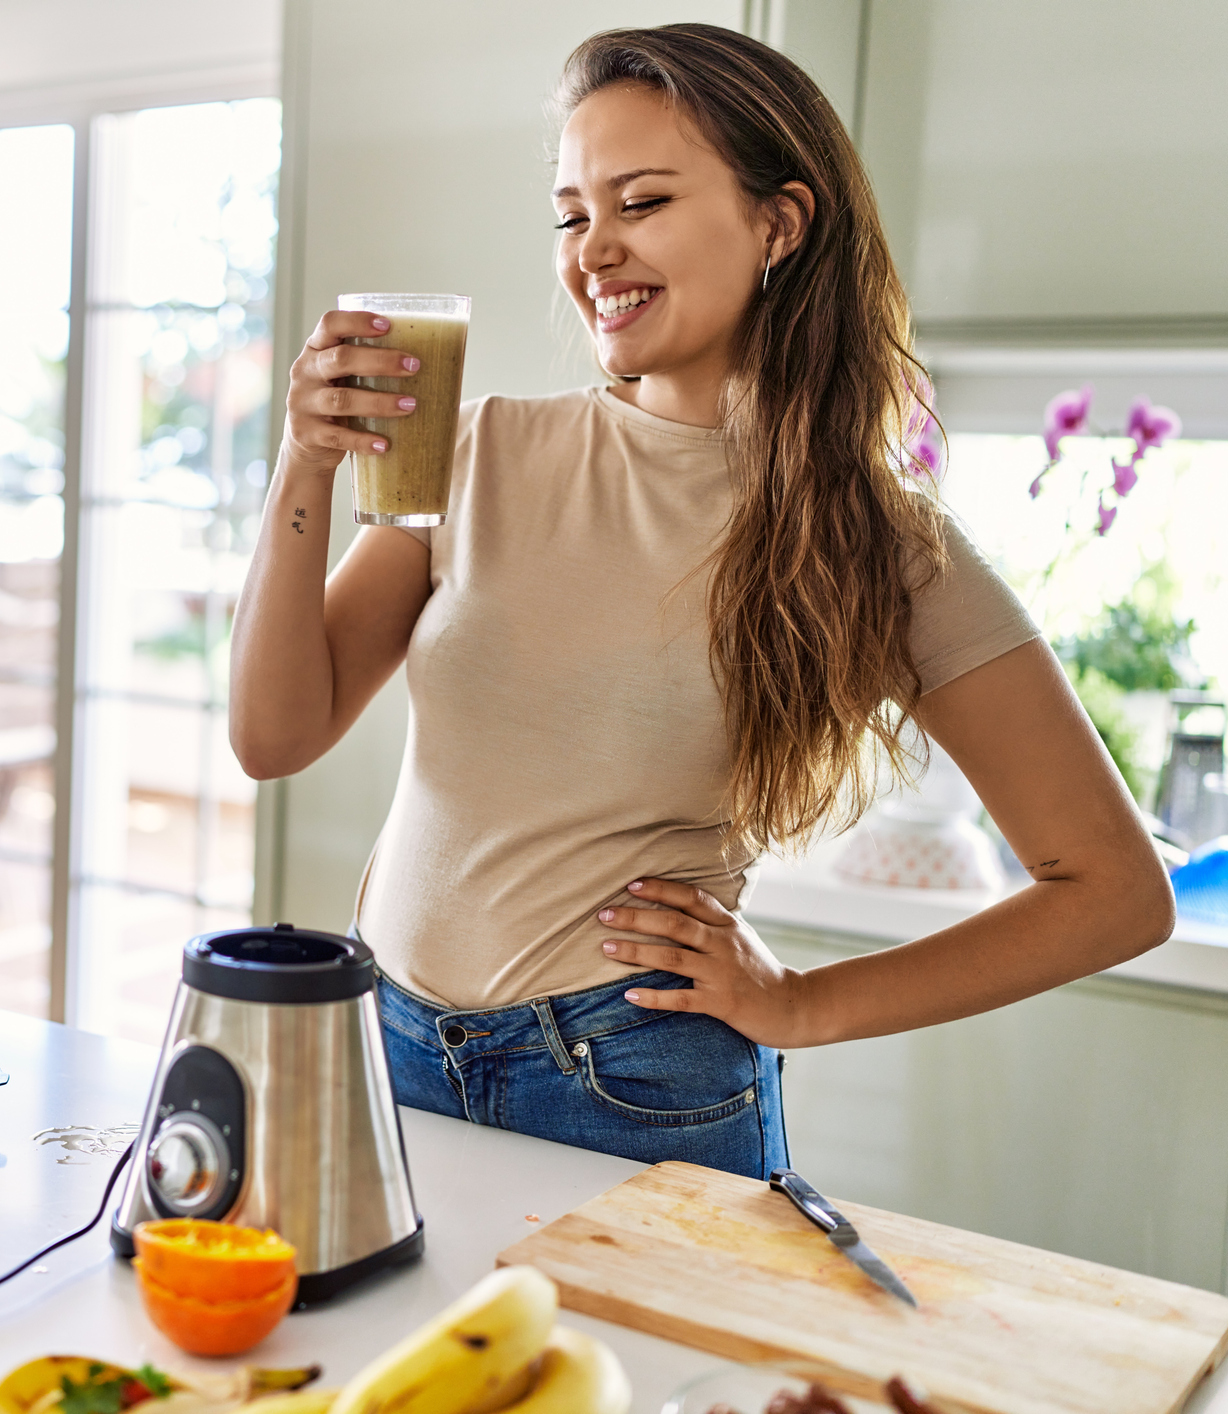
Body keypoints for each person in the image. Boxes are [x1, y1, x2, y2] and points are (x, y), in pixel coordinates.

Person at [226, 23, 1173, 1179]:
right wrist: (305, 464)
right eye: (574, 215)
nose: (595, 251)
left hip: (628, 1083)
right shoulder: (479, 452)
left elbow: (1116, 891)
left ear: (780, 222)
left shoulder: (875, 538)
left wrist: (802, 1006)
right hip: (388, 1044)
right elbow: (274, 736)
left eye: (644, 202)